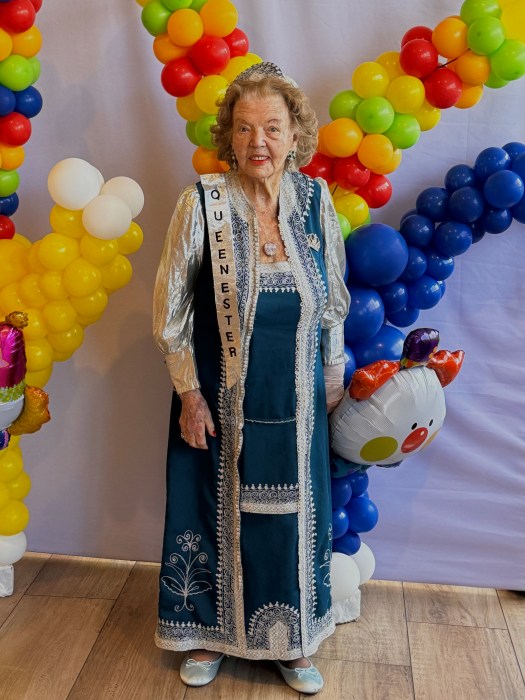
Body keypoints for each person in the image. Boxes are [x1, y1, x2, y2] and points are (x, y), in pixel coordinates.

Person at [153, 62, 350, 694]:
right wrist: (187, 393)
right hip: (216, 399)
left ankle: (291, 643)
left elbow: (335, 301)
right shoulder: (200, 205)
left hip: (296, 400)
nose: (257, 142)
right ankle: (210, 635)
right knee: (215, 513)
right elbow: (171, 310)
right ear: (227, 137)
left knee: (293, 518)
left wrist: (334, 375)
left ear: (295, 134)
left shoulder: (317, 203)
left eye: (271, 126)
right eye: (244, 129)